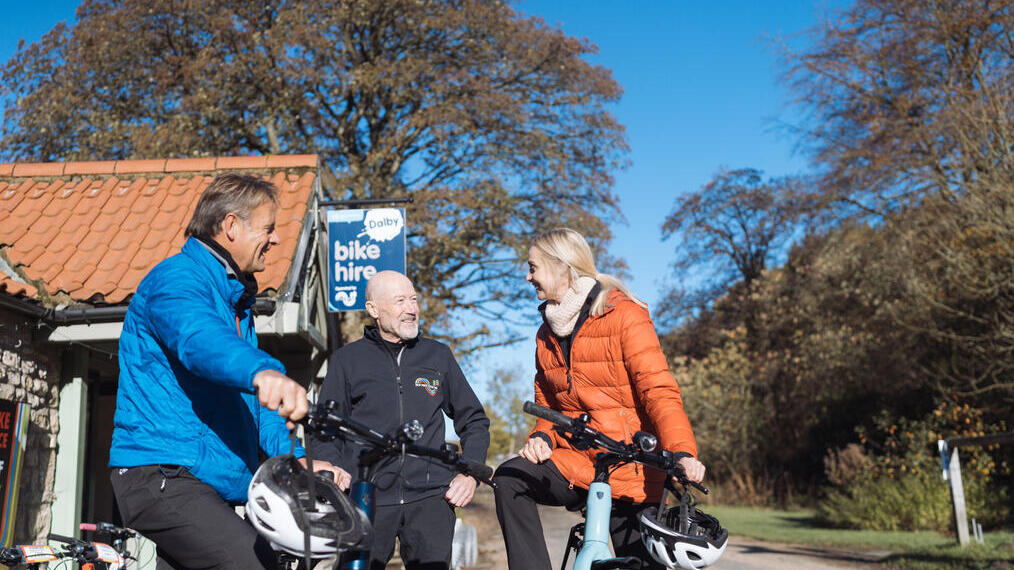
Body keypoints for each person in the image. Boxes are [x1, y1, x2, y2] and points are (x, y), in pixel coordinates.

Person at [108, 173, 348, 570]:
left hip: (203, 481)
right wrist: (264, 371)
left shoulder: (236, 302)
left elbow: (254, 407)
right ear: (231, 226)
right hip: (163, 474)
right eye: (268, 228)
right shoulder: (177, 279)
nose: (274, 239)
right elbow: (198, 339)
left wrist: (298, 461)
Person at [493, 228, 707, 570]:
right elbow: (547, 403)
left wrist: (682, 452)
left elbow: (659, 390)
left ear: (562, 267)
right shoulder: (545, 333)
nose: (527, 275)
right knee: (510, 478)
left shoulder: (624, 315)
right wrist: (541, 436)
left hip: (630, 465)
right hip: (575, 461)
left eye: (533, 267)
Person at [311, 270, 490, 570]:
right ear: (373, 310)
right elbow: (326, 428)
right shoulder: (347, 360)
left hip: (432, 498)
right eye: (400, 301)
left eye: (414, 299)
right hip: (366, 498)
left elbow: (473, 420)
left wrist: (470, 473)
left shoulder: (438, 356)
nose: (412, 309)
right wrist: (332, 473)